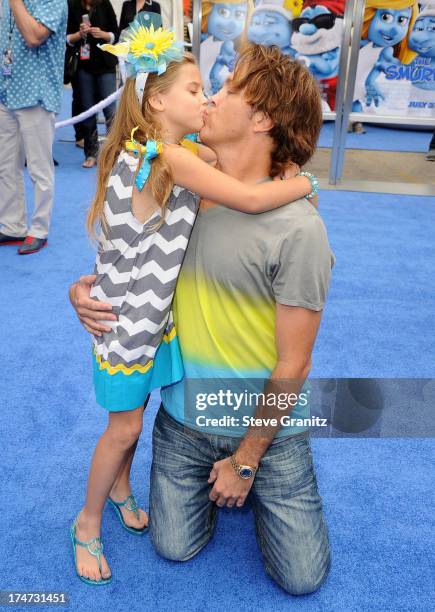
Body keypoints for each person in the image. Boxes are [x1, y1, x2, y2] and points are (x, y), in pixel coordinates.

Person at [70, 41, 334, 595]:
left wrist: (247, 458)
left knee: (303, 579)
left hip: (266, 429)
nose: (210, 96)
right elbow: (131, 250)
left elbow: (296, 360)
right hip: (185, 418)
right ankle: (113, 503)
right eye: (200, 88)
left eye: (226, 87)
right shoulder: (181, 183)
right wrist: (82, 289)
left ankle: (250, 477)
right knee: (173, 547)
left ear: (261, 118)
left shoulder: (298, 228)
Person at [0, 0, 67, 255]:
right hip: (6, 91)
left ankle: (39, 230)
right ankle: (12, 225)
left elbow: (33, 36)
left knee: (39, 168)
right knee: (6, 165)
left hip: (36, 93)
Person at [67, 0, 119, 168]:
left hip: (105, 66)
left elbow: (115, 35)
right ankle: (91, 154)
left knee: (111, 111)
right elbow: (66, 38)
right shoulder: (72, 5)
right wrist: (78, 35)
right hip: (84, 67)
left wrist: (103, 34)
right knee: (87, 111)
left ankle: (114, 154)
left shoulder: (105, 4)